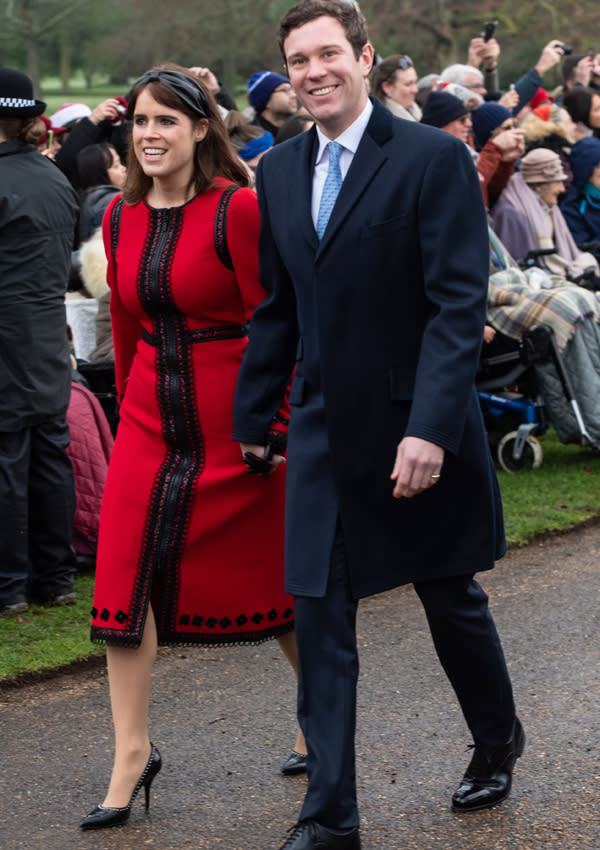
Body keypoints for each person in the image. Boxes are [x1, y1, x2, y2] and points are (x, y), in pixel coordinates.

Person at [232, 3, 523, 848]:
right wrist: (256, 415)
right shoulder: (277, 172)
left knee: (449, 596)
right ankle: (330, 817)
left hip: (418, 426)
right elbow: (277, 307)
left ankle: (498, 738)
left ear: (362, 58)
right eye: (298, 59)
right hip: (324, 430)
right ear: (286, 74)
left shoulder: (433, 159)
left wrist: (430, 428)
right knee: (319, 614)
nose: (314, 71)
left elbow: (457, 303)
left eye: (329, 53)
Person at [79, 64, 306, 831]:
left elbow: (277, 324)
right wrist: (120, 415)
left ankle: (318, 711)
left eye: (167, 121)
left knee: (275, 584)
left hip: (235, 422)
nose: (149, 134)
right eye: (140, 121)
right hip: (148, 417)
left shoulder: (237, 210)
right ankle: (131, 754)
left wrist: (272, 427)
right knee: (122, 576)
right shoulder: (116, 218)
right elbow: (127, 327)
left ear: (202, 129)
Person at [0, 68, 79, 616]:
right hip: (48, 328)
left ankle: (8, 587)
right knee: (50, 452)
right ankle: (55, 577)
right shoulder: (53, 176)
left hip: (9, 332)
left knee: (9, 457)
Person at [493, 147, 599, 282]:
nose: (562, 189)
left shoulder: (547, 208)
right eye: (558, 182)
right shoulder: (510, 215)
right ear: (539, 186)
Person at [369, 54, 421, 121]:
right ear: (387, 87)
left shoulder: (416, 116)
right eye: (408, 84)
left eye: (414, 83)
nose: (415, 90)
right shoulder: (381, 122)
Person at [247, 70, 298, 136]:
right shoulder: (251, 139)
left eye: (291, 89)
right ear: (266, 100)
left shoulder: (301, 129)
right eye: (284, 90)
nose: (293, 95)